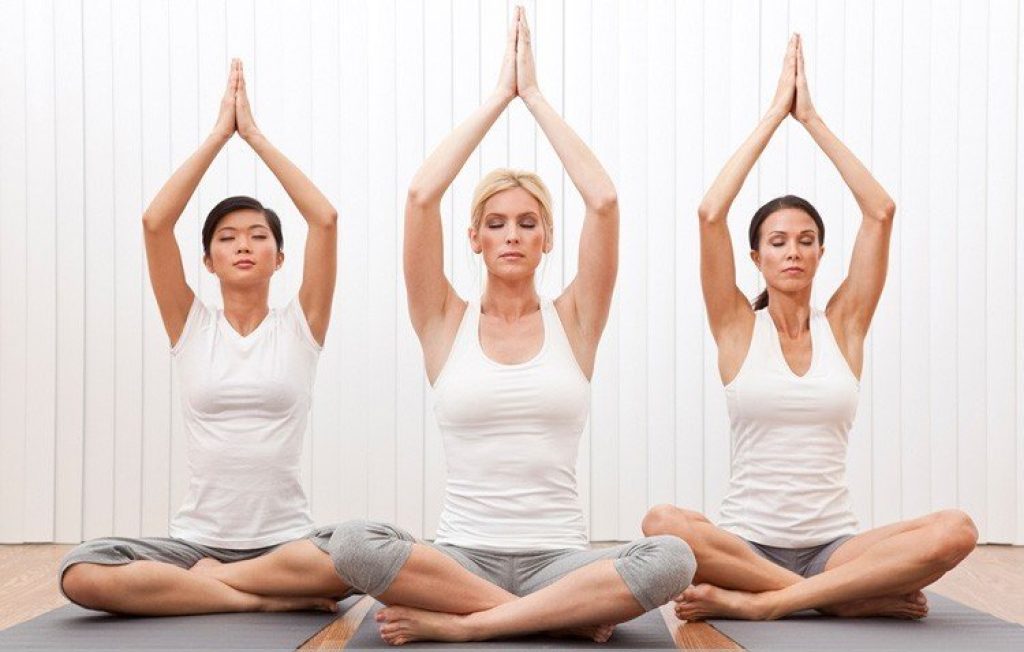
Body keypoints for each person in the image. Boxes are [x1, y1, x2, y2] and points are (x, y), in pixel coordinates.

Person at [641, 35, 977, 622]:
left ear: (822, 253)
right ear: (756, 258)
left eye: (805, 241)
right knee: (662, 525)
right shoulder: (737, 328)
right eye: (777, 242)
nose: (792, 251)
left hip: (835, 549)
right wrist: (774, 116)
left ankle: (771, 605)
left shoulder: (844, 326)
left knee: (957, 530)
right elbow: (709, 214)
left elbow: (881, 211)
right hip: (744, 544)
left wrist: (812, 120)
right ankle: (838, 603)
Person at [58, 59, 345, 616]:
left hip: (286, 544)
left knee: (354, 557)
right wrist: (219, 136)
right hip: (196, 544)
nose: (243, 245)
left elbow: (326, 220)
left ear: (279, 257)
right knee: (83, 571)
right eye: (227, 237)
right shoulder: (191, 327)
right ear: (209, 260)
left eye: (258, 236)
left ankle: (223, 588)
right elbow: (155, 224)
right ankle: (257, 601)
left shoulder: (301, 325)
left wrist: (254, 137)